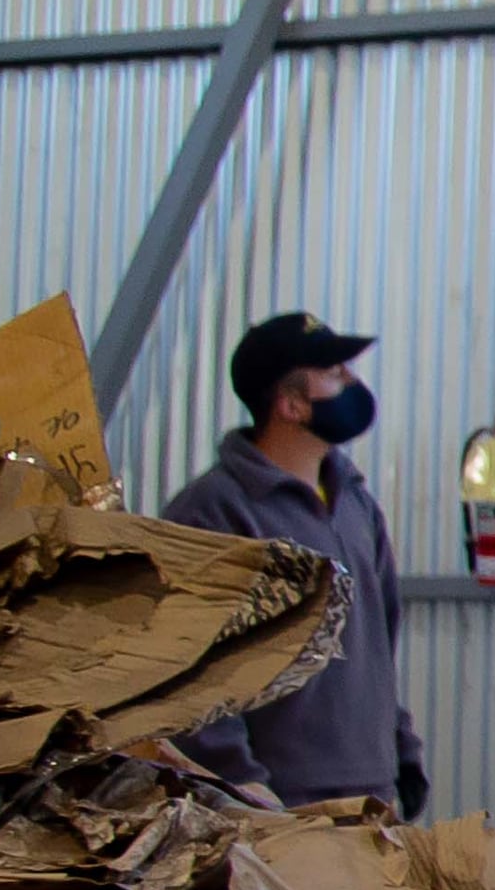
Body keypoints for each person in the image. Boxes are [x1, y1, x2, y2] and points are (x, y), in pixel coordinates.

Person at [164, 311, 428, 818]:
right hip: (280, 805)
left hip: (372, 796)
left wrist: (401, 751)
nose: (352, 383)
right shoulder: (213, 512)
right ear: (290, 404)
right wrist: (240, 784)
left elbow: (377, 645)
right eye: (334, 374)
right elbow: (189, 669)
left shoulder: (356, 505)